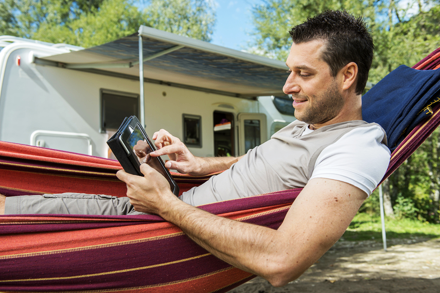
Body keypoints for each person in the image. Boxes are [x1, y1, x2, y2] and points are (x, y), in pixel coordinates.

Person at [0, 10, 390, 287]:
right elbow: (265, 164)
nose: (287, 86)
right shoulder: (307, 125)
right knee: (16, 207)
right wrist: (198, 165)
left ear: (347, 75)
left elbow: (281, 263)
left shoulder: (356, 146)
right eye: (290, 70)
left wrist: (166, 205)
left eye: (303, 74)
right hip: (162, 210)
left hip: (156, 232)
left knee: (18, 227)